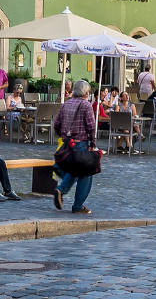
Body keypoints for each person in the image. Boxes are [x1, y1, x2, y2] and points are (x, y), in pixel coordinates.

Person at [53, 79, 98, 214]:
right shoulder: (86, 105)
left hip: (67, 144)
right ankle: (77, 204)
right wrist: (93, 144)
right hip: (81, 143)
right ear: (86, 92)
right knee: (85, 173)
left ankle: (61, 191)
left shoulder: (65, 104)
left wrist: (63, 136)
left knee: (74, 170)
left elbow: (57, 124)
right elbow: (91, 127)